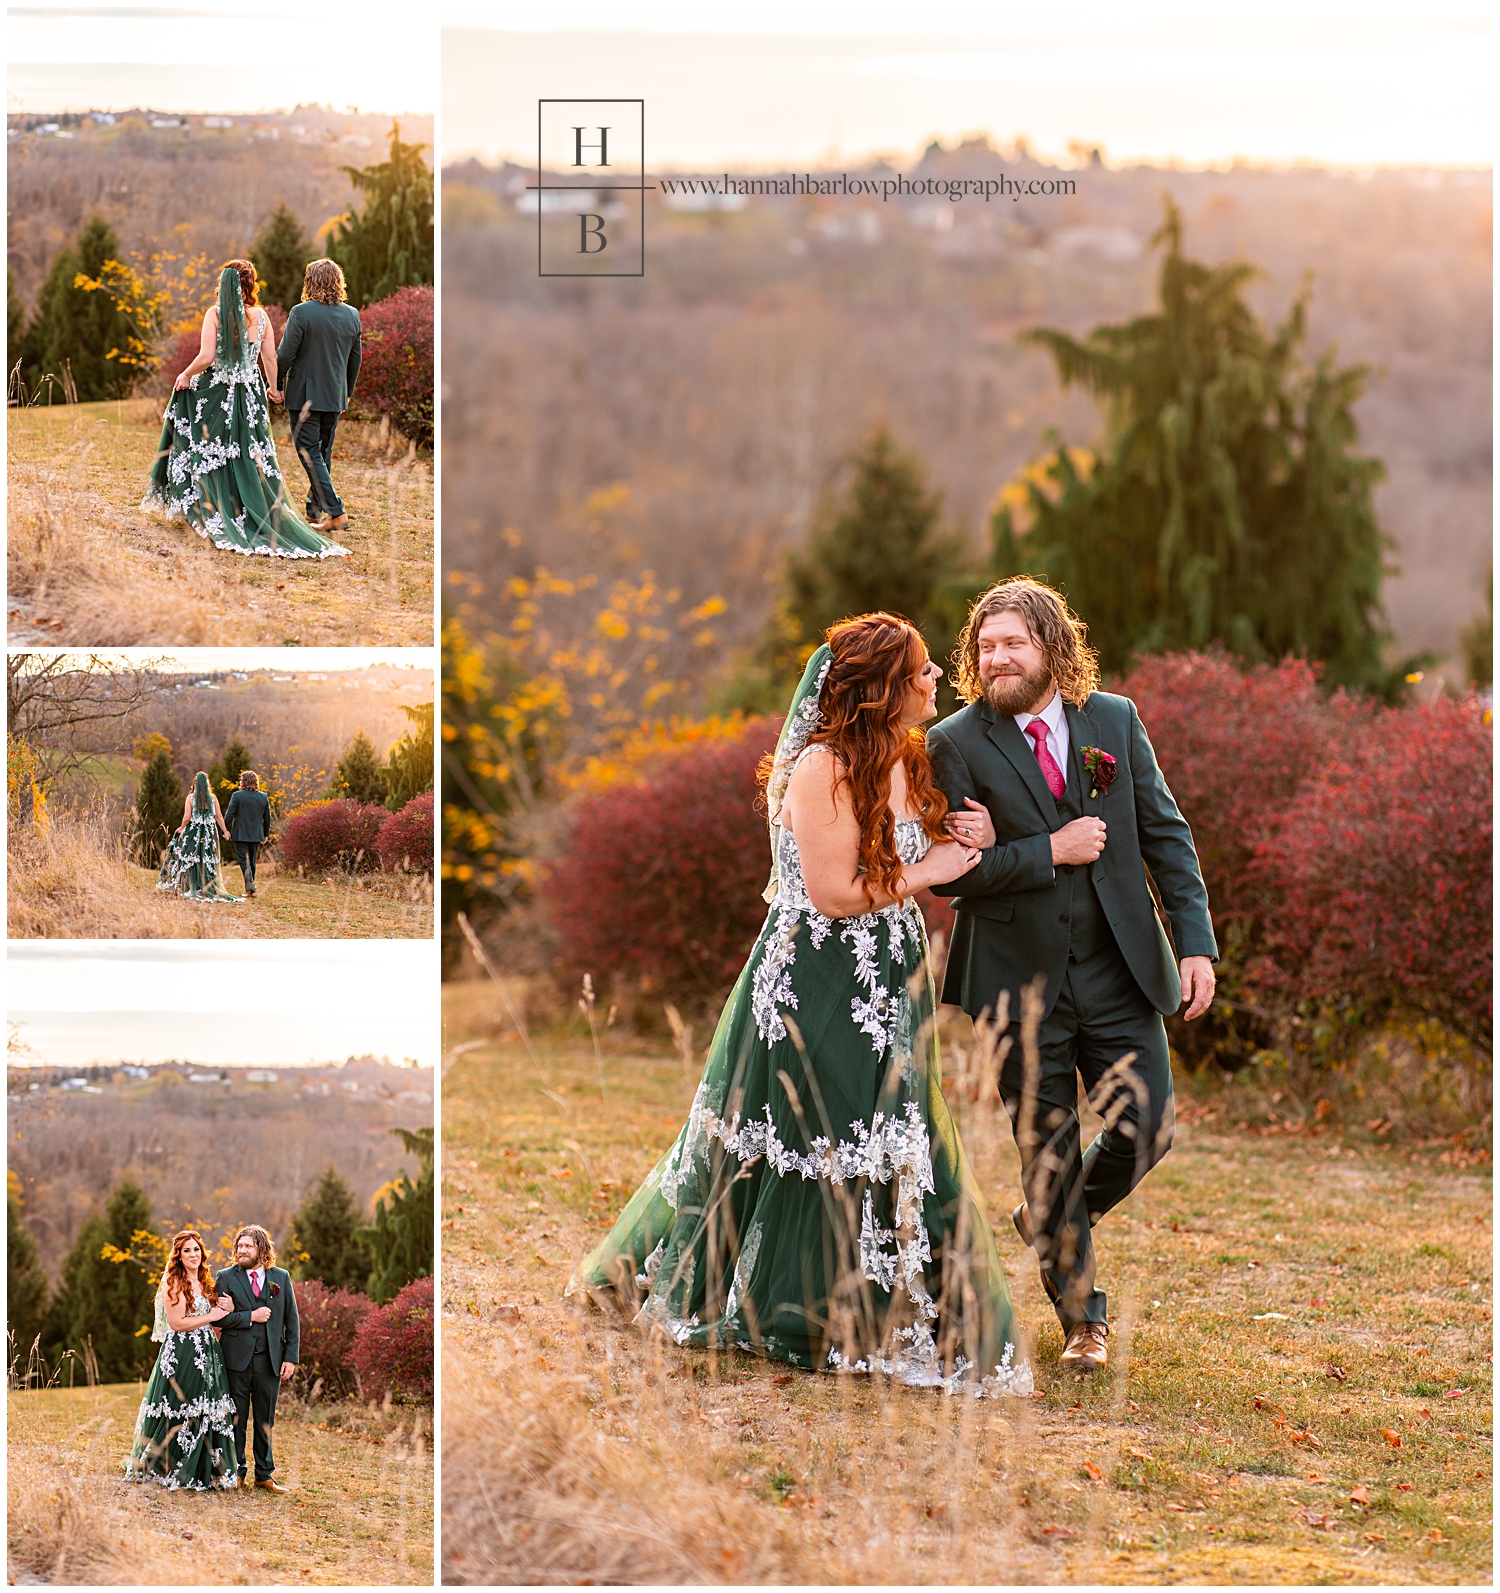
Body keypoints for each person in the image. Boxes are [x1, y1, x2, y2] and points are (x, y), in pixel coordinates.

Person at [568, 613, 1032, 1396]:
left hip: (891, 978)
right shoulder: (821, 768)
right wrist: (935, 869)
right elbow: (834, 892)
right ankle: (785, 1307)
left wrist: (971, 835)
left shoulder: (908, 759)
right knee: (812, 1126)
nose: (937, 682)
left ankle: (883, 1306)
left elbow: (921, 856)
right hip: (814, 976)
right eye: (922, 671)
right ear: (882, 685)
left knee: (888, 1127)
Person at [928, 577, 1218, 1370]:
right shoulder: (954, 742)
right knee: (1047, 1147)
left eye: (1013, 643)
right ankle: (1083, 1321)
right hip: (1017, 982)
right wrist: (1042, 851)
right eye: (985, 647)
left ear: (1052, 647)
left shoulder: (1114, 721)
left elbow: (1166, 836)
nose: (997, 659)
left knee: (1148, 1125)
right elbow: (952, 873)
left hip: (1121, 966)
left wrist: (1196, 945)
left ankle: (1050, 1217)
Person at [143, 261, 350, 561]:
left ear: (223, 283)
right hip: (250, 396)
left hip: (217, 394)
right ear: (251, 284)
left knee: (214, 448)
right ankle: (250, 505)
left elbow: (207, 356)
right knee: (247, 452)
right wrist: (274, 388)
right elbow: (269, 359)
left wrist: (185, 374)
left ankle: (215, 506)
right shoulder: (262, 317)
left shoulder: (215, 315)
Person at [125, 1229, 239, 1490]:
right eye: (186, 1250)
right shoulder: (173, 1283)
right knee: (181, 1404)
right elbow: (177, 1323)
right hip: (182, 1352)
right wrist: (211, 1317)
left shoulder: (206, 1282)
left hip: (208, 1352)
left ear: (202, 1253)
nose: (193, 1255)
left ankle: (205, 1468)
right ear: (178, 1255)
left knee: (206, 1406)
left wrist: (226, 1310)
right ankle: (171, 1465)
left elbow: (217, 1314)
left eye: (196, 1249)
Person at [274, 258, 363, 536]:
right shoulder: (352, 314)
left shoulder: (301, 313)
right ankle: (314, 509)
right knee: (321, 452)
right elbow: (355, 360)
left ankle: (336, 512)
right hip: (334, 396)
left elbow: (286, 353)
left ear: (310, 282)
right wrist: (345, 393)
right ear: (338, 281)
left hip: (305, 396)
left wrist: (275, 382)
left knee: (309, 451)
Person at [214, 1225, 300, 1493]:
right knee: (235, 1418)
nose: (242, 1251)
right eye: (240, 1246)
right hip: (236, 1359)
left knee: (265, 1419)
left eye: (248, 1246)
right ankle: (236, 1472)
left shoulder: (281, 1278)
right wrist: (250, 1316)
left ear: (261, 1248)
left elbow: (291, 1321)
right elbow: (220, 1318)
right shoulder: (226, 1277)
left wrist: (291, 1358)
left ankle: (264, 1474)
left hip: (270, 1360)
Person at [157, 772, 241, 902]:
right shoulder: (213, 798)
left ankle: (191, 886)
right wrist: (225, 831)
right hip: (209, 833)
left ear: (195, 783)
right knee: (206, 858)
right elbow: (218, 816)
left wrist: (182, 827)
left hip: (193, 832)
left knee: (191, 857)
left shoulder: (190, 798)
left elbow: (187, 817)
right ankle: (206, 886)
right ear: (207, 784)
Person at [223, 769, 272, 897]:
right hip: (256, 834)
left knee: (245, 862)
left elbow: (229, 814)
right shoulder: (263, 796)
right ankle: (250, 889)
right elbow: (267, 817)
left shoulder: (237, 795)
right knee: (252, 862)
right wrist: (265, 833)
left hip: (240, 834)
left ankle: (251, 889)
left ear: (244, 781)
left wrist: (224, 828)